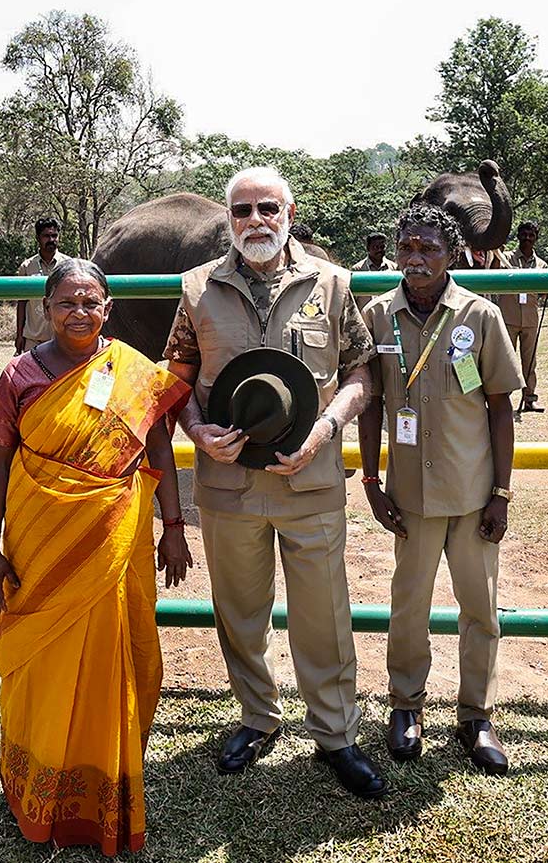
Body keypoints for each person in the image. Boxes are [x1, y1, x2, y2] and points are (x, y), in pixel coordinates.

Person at [163, 166, 387, 798]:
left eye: (267, 207)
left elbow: (360, 375)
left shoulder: (332, 284)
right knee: (239, 611)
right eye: (242, 210)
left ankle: (336, 734)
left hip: (309, 478)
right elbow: (176, 378)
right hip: (228, 484)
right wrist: (197, 431)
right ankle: (258, 717)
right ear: (227, 220)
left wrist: (324, 431)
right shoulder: (197, 289)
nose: (255, 220)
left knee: (325, 612)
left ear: (289, 211)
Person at [0, 258, 191, 855]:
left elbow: (159, 450)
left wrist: (172, 526)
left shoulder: (132, 372)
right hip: (36, 540)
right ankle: (34, 782)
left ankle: (108, 777)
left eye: (91, 302)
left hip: (115, 539)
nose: (80, 313)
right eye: (67, 302)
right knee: (43, 659)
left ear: (108, 308)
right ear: (45, 309)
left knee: (116, 652)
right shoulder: (17, 377)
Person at [357, 203, 522, 776]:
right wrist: (374, 482)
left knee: (481, 609)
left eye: (429, 248)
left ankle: (476, 715)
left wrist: (501, 493)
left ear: (451, 255)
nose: (416, 260)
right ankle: (406, 707)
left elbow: (500, 406)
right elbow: (372, 403)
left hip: (474, 494)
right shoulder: (378, 316)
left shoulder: (479, 316)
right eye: (408, 248)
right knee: (409, 607)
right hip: (411, 497)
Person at [498, 221, 547, 415]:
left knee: (530, 361)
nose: (527, 238)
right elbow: (493, 270)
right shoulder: (505, 258)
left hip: (530, 320)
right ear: (518, 236)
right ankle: (503, 400)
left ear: (536, 238)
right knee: (506, 361)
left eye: (531, 235)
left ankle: (529, 399)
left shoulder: (541, 265)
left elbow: (544, 292)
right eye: (524, 234)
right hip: (508, 318)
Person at [14, 218, 71, 355]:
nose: (51, 239)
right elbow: (22, 303)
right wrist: (19, 335)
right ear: (38, 238)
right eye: (46, 236)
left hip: (60, 338)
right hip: (33, 338)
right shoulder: (27, 267)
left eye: (54, 235)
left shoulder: (68, 264)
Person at [352, 232, 393, 309]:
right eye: (375, 247)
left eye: (382, 247)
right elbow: (352, 300)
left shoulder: (393, 268)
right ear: (368, 248)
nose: (379, 250)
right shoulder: (358, 270)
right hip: (365, 317)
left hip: (387, 317)